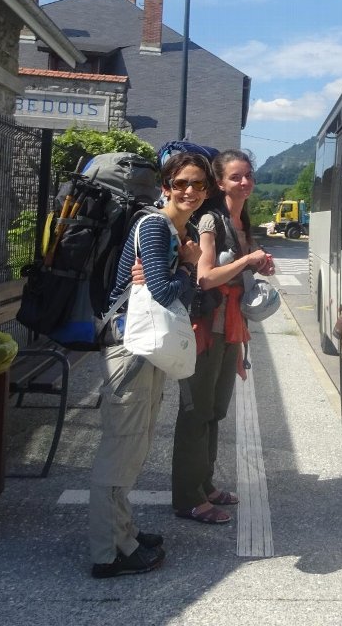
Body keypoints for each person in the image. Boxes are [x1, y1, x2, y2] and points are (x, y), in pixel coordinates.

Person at [89, 152, 208, 578]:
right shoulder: (156, 227)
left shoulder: (181, 229)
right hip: (130, 351)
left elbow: (168, 290)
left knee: (133, 446)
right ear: (166, 186)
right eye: (182, 183)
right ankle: (107, 553)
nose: (190, 191)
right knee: (120, 449)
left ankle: (126, 534)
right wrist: (191, 268)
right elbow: (162, 291)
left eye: (198, 184)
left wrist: (182, 277)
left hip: (147, 348)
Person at [172, 149, 274, 525]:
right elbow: (205, 277)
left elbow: (236, 274)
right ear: (220, 183)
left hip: (230, 326)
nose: (244, 182)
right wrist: (247, 260)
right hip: (206, 327)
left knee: (214, 410)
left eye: (248, 175)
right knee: (195, 412)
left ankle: (206, 484)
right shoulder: (211, 222)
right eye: (236, 177)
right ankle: (187, 497)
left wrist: (259, 264)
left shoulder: (242, 220)